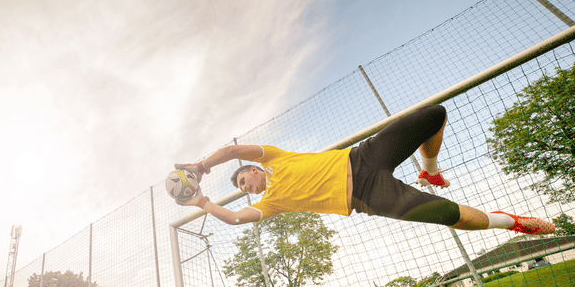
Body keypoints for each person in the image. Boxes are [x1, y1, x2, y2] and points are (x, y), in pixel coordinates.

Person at [174, 105, 555, 235]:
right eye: (244, 188)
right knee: (448, 214)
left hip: (364, 158)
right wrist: (204, 201)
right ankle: (514, 223)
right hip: (368, 197)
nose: (247, 187)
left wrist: (200, 165)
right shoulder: (273, 201)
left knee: (434, 115)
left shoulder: (272, 155)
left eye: (245, 179)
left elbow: (233, 148)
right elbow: (237, 219)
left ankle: (431, 170)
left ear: (256, 169)